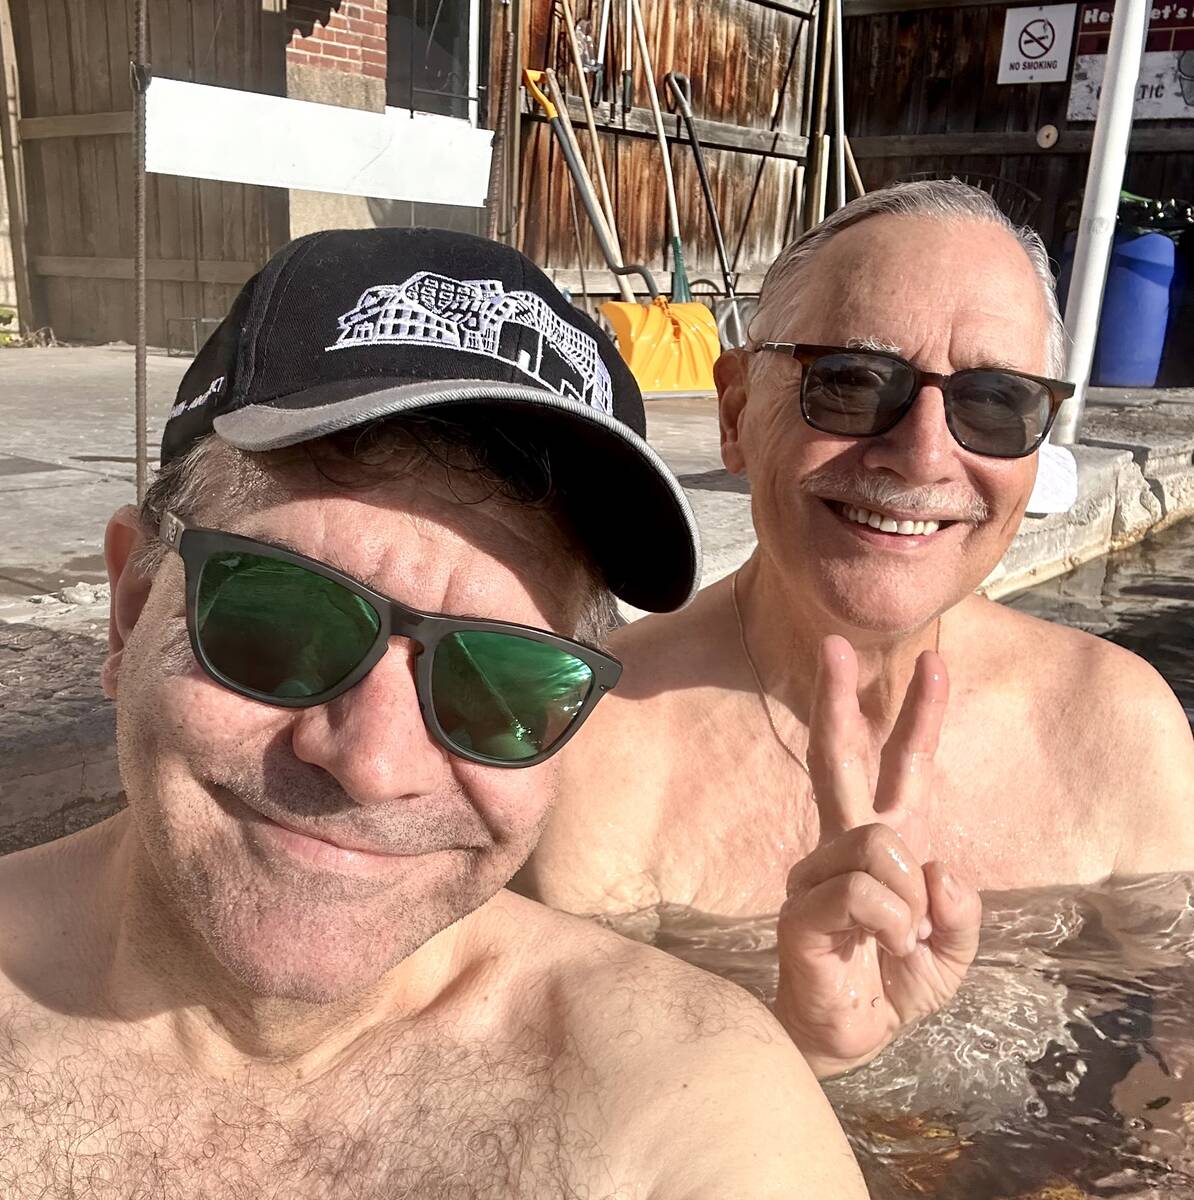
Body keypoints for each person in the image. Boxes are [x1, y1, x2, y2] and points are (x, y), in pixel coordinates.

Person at [0, 229, 868, 1197]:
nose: (372, 760)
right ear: (130, 615)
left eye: (500, 680)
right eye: (279, 618)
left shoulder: (685, 1099)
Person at [519, 180, 1194, 1080]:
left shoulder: (1114, 725)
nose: (922, 454)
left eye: (995, 402)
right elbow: (581, 1111)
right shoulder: (596, 749)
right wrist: (807, 1052)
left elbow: (1178, 1058)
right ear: (735, 416)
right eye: (850, 383)